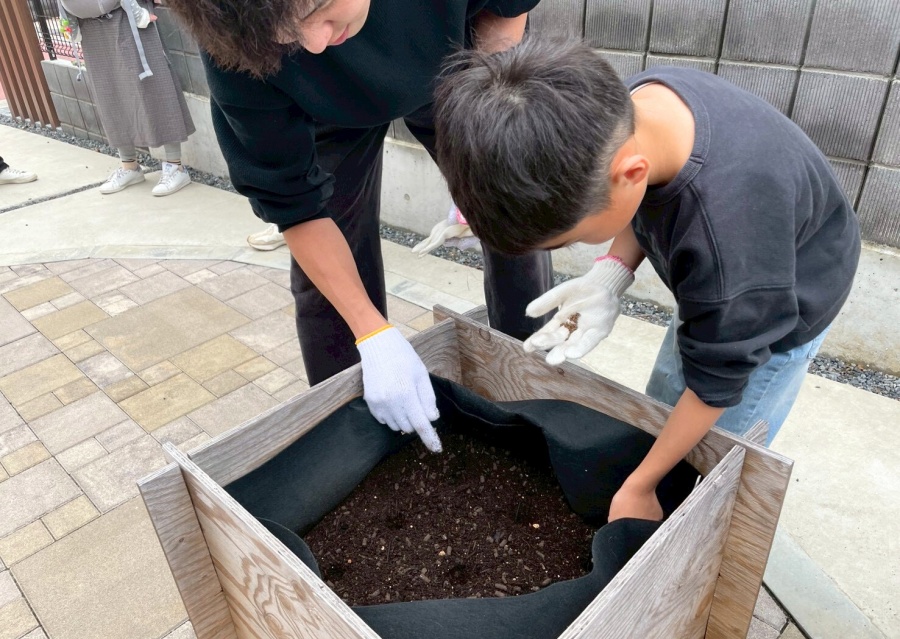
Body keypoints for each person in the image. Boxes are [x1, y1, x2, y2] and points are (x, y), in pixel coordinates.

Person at [433, 37, 860, 521]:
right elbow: (643, 199)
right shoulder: (629, 108)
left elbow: (720, 379)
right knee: (672, 390)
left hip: (790, 295)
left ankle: (682, 506)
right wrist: (611, 274)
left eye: (569, 240)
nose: (571, 248)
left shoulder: (729, 239)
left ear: (630, 173)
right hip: (739, 276)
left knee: (723, 445)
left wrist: (640, 486)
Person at [164, 0, 553, 451]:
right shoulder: (234, 38)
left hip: (453, 59)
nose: (316, 42)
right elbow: (294, 204)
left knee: (513, 209)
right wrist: (371, 332)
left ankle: (531, 378)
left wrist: (485, 127)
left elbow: (505, 9)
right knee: (329, 290)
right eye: (286, 36)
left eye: (318, 9)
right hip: (324, 110)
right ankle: (359, 433)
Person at [59, 0, 194, 196]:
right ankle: (129, 165)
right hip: (88, 20)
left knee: (154, 85)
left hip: (129, 12)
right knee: (109, 90)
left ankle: (175, 166)